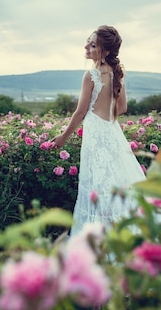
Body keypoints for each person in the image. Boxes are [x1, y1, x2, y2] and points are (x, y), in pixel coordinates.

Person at [52, 25, 147, 236]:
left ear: (105, 51)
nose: (86, 47)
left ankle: (100, 238)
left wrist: (62, 137)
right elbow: (122, 108)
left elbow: (79, 112)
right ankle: (121, 233)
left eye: (93, 45)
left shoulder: (91, 75)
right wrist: (107, 115)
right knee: (116, 182)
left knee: (97, 184)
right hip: (112, 133)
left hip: (95, 135)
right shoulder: (117, 74)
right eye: (88, 41)